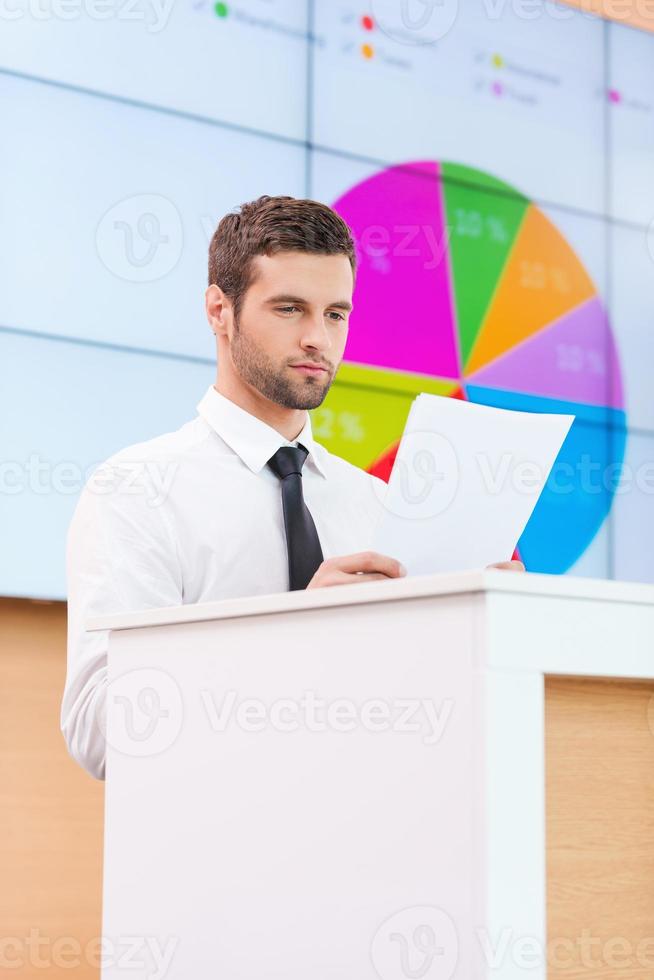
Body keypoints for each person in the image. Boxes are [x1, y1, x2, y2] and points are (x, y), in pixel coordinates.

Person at [61, 194, 522, 779]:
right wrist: (295, 640)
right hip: (212, 854)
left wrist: (490, 633)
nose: (318, 339)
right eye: (288, 309)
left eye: (335, 314)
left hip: (374, 842)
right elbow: (102, 731)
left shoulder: (376, 506)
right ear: (218, 311)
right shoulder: (136, 492)